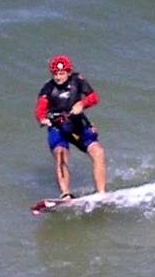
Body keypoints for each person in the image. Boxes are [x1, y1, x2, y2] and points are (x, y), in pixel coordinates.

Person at [35, 54, 107, 199]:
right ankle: (66, 194)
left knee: (98, 152)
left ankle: (102, 193)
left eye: (61, 73)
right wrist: (43, 119)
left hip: (77, 125)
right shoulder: (47, 89)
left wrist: (82, 104)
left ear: (68, 72)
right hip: (58, 128)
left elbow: (94, 98)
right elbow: (40, 110)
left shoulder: (78, 80)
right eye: (55, 74)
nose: (58, 77)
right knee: (61, 154)